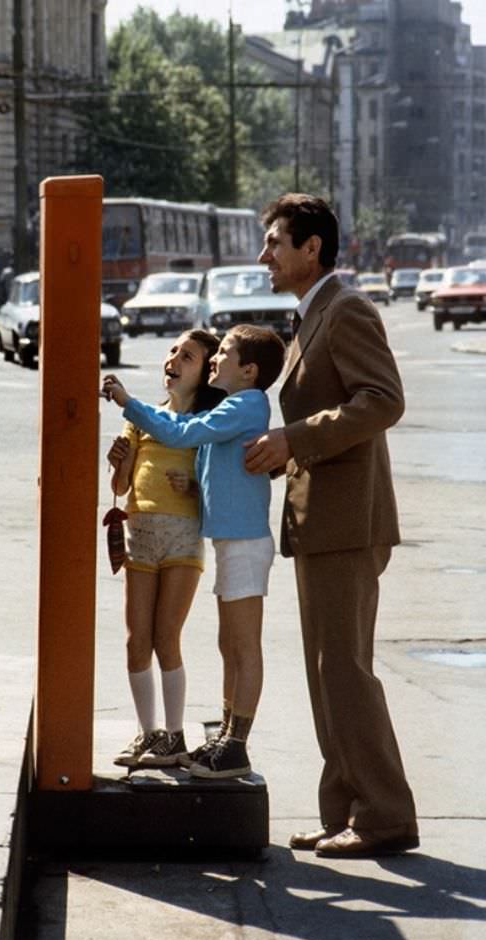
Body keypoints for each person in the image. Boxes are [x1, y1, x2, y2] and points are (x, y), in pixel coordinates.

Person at [244, 193, 419, 856]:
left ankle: (384, 815)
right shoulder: (311, 315)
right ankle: (345, 808)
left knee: (344, 669)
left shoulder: (345, 310)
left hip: (347, 519)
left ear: (310, 247)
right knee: (328, 671)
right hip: (319, 520)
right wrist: (277, 450)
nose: (265, 256)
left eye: (274, 243)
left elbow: (383, 400)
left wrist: (295, 439)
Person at [103, 324, 286, 779]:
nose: (215, 360)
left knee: (243, 647)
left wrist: (129, 403)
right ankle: (226, 738)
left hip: (244, 541)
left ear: (248, 370)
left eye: (223, 352)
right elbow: (214, 467)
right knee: (230, 645)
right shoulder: (234, 405)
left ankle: (236, 744)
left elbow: (184, 433)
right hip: (231, 541)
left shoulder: (247, 402)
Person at [106, 329, 222, 770]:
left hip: (183, 539)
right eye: (173, 351)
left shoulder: (203, 425)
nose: (173, 359)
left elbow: (216, 486)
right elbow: (121, 487)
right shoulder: (141, 419)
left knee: (165, 637)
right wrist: (120, 462)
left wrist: (193, 486)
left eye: (187, 356)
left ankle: (174, 738)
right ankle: (148, 732)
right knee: (137, 639)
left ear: (204, 374)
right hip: (140, 534)